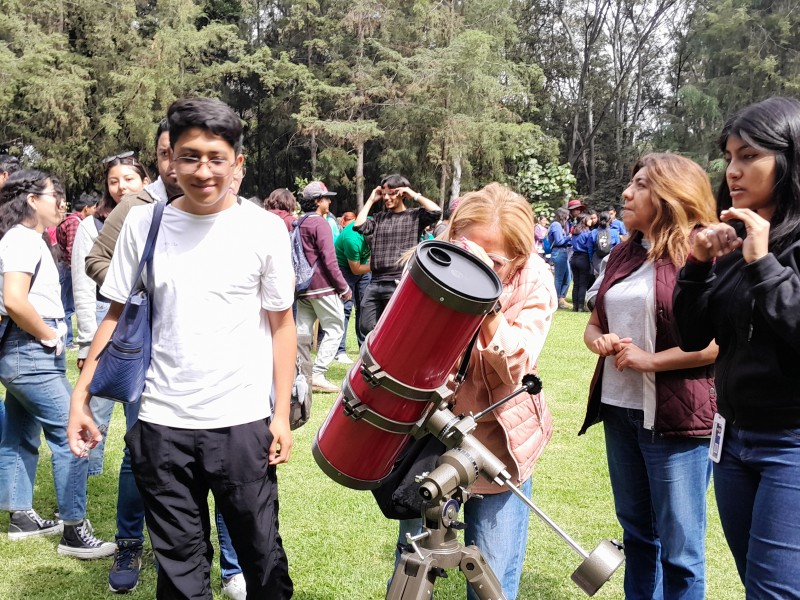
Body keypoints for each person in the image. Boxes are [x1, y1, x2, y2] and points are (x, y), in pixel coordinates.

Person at [69, 98, 295, 599]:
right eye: (189, 156)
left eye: (216, 157)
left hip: (240, 423)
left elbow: (282, 326)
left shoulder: (264, 230)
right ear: (170, 161)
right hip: (160, 422)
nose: (202, 170)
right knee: (178, 571)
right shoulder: (144, 225)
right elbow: (116, 314)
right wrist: (81, 396)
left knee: (262, 558)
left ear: (238, 162)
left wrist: (279, 415)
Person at [84, 120, 248, 597]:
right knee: (140, 458)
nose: (178, 166)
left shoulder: (226, 203)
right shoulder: (138, 206)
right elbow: (100, 262)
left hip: (212, 364)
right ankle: (130, 543)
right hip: (146, 356)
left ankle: (232, 564)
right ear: (163, 158)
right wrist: (143, 284)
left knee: (225, 466)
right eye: (165, 156)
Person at [397, 182, 558, 600]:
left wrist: (488, 303)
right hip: (431, 435)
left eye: (495, 262)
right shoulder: (433, 262)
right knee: (411, 557)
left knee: (491, 569)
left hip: (496, 444)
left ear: (519, 259)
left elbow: (516, 366)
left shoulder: (534, 281)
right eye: (469, 252)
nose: (480, 267)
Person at [674, 97, 800, 597]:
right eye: (729, 157)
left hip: (791, 442)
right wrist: (699, 267)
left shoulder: (770, 244)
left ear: (788, 159)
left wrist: (763, 264)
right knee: (757, 582)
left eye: (750, 156)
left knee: (775, 591)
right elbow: (693, 337)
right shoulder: (737, 234)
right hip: (731, 440)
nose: (733, 170)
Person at [580, 152, 719, 599]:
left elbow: (719, 343)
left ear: (671, 194)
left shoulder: (701, 253)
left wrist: (651, 361)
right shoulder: (624, 251)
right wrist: (598, 340)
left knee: (680, 553)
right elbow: (595, 320)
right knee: (638, 536)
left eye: (640, 184)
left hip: (679, 422)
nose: (626, 192)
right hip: (621, 411)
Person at [0, 170, 115, 558]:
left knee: (18, 432)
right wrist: (48, 335)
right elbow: (15, 299)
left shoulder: (24, 239)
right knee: (76, 434)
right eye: (55, 195)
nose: (61, 203)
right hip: (29, 349)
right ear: (32, 199)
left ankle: (21, 517)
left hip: (20, 352)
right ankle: (74, 530)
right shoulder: (22, 239)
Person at [74, 154, 151, 479]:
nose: (122, 187)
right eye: (114, 181)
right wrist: (85, 343)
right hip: (108, 319)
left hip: (143, 327)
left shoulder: (155, 217)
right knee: (100, 405)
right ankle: (88, 470)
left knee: (139, 411)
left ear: (145, 183)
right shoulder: (92, 225)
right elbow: (82, 287)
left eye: (129, 179)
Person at [354, 174, 441, 337]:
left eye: (391, 193)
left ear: (402, 193)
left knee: (395, 330)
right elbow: (359, 226)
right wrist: (371, 200)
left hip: (398, 282)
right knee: (366, 327)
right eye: (384, 193)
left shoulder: (415, 216)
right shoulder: (379, 218)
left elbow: (436, 212)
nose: (386, 197)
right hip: (375, 282)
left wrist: (414, 194)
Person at [295, 181, 351, 393]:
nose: (329, 201)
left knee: (302, 332)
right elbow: (329, 260)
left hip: (302, 286)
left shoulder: (299, 222)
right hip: (321, 286)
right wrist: (344, 288)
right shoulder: (320, 223)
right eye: (326, 198)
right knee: (336, 327)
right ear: (318, 201)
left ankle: (300, 374)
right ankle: (317, 373)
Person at [56, 194, 98, 350]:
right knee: (67, 307)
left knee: (68, 306)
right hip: (69, 269)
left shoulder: (71, 221)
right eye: (94, 207)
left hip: (66, 268)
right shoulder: (75, 223)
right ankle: (67, 342)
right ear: (86, 208)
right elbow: (74, 250)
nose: (96, 211)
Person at [334, 210, 370, 363]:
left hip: (365, 264)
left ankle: (364, 350)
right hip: (344, 267)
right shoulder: (352, 239)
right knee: (346, 307)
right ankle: (340, 351)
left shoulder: (374, 224)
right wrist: (377, 264)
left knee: (365, 306)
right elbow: (355, 269)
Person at [547, 207, 572, 309]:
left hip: (563, 252)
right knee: (559, 278)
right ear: (563, 215)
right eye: (567, 215)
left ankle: (561, 299)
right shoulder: (556, 225)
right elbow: (559, 241)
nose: (568, 217)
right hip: (558, 252)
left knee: (568, 277)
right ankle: (555, 300)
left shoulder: (560, 226)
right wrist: (569, 237)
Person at [569, 215, 594, 312]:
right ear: (585, 220)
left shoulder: (575, 232)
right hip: (583, 258)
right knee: (583, 284)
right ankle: (580, 306)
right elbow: (589, 248)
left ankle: (575, 306)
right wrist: (591, 259)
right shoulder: (587, 233)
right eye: (589, 219)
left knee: (576, 283)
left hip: (574, 258)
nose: (591, 221)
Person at [590, 211, 621, 277]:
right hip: (610, 260)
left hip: (597, 260)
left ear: (599, 219)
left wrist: (590, 260)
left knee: (597, 283)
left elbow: (590, 248)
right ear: (609, 220)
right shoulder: (614, 232)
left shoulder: (593, 232)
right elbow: (618, 247)